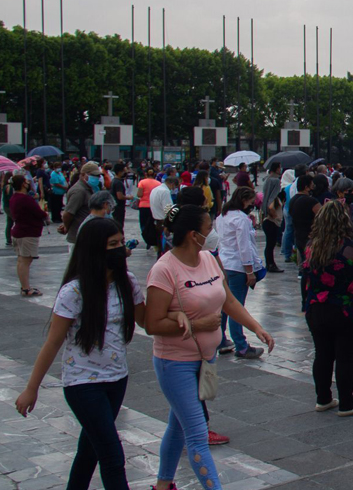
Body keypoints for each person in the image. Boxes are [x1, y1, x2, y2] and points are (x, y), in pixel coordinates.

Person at [145, 204, 275, 490]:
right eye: (208, 229)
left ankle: (162, 485)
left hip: (206, 360)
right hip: (175, 362)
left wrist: (256, 327)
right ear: (193, 235)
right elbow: (151, 323)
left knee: (178, 425)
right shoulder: (163, 271)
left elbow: (228, 300)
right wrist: (196, 325)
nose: (212, 233)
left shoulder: (209, 259)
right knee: (196, 432)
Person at [15, 218, 146, 490]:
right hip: (82, 384)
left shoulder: (128, 282)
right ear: (95, 250)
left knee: (89, 451)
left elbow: (147, 321)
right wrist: (31, 388)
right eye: (113, 244)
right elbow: (52, 343)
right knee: (112, 455)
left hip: (117, 379)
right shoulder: (74, 292)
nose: (120, 249)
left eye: (121, 242)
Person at [303, 200, 353, 416]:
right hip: (347, 308)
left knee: (322, 355)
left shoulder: (312, 246)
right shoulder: (349, 247)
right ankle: (347, 404)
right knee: (345, 358)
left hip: (317, 307)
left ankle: (323, 398)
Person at [215, 186, 266, 359]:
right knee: (237, 307)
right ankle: (241, 345)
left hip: (224, 263)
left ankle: (221, 339)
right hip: (238, 266)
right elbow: (244, 246)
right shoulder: (241, 219)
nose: (252, 205)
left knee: (224, 305)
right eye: (251, 202)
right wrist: (249, 270)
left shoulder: (222, 216)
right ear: (244, 200)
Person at [9, 173, 48, 297]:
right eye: (26, 181)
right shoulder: (25, 199)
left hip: (18, 231)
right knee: (26, 260)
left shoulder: (14, 198)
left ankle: (24, 286)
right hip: (27, 232)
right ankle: (26, 288)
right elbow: (40, 213)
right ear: (23, 184)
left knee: (21, 260)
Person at [60, 162, 102, 250]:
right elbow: (68, 213)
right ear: (83, 175)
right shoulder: (79, 191)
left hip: (90, 235)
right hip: (80, 236)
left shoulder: (90, 188)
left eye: (98, 176)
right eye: (93, 175)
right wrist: (66, 227)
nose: (97, 178)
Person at [148, 175, 179, 256]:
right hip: (163, 222)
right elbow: (168, 210)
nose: (173, 189)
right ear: (171, 184)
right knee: (165, 248)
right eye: (174, 187)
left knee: (160, 247)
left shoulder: (155, 189)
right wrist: (168, 225)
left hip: (156, 220)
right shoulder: (165, 192)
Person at [109, 163, 131, 229]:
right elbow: (120, 196)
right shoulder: (118, 183)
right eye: (124, 171)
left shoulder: (114, 181)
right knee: (119, 225)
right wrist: (129, 197)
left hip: (115, 207)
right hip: (118, 207)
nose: (125, 172)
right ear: (120, 172)